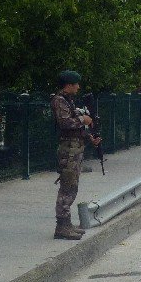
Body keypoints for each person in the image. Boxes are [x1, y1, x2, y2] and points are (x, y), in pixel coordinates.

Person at [50, 70, 101, 240]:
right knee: (67, 187)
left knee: (72, 186)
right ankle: (62, 227)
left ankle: (67, 224)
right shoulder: (59, 100)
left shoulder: (68, 101)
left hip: (75, 148)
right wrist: (83, 120)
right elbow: (65, 123)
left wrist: (89, 137)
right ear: (69, 85)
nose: (78, 87)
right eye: (76, 84)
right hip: (68, 150)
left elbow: (75, 130)